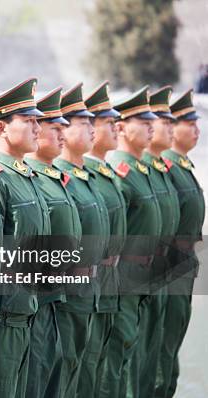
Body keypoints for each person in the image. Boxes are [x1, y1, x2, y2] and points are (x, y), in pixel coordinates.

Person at [0, 78, 50, 398]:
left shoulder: (27, 177)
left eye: (38, 120)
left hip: (29, 312)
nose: (38, 127)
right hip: (4, 319)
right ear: (1, 127)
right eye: (29, 121)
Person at [23, 86, 81, 398]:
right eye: (53, 128)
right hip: (33, 306)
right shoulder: (25, 180)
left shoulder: (50, 178)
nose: (63, 134)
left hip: (60, 301)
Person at [53, 83, 110, 398]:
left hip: (92, 290)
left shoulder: (85, 177)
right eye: (84, 122)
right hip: (66, 297)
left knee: (86, 378)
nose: (93, 129)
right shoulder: (59, 180)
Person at [109, 86, 162, 398]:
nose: (151, 126)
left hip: (148, 273)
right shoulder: (120, 171)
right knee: (121, 358)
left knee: (142, 354)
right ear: (122, 128)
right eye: (143, 121)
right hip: (124, 275)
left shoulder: (141, 170)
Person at [129, 86, 181, 397]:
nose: (157, 127)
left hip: (162, 271)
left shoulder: (154, 170)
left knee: (155, 361)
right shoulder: (124, 174)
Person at [81, 81, 127, 397]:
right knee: (85, 372)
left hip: (109, 279)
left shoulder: (106, 173)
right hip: (82, 283)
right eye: (107, 122)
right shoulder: (80, 176)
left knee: (104, 367)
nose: (116, 128)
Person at [158, 88, 204, 397]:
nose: (196, 130)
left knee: (168, 352)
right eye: (189, 122)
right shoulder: (169, 169)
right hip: (164, 270)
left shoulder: (182, 167)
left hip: (182, 269)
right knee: (157, 356)